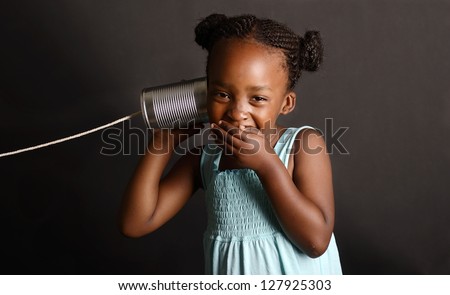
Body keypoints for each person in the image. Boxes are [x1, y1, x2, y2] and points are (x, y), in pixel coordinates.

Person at [120, 13, 342, 275]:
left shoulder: (302, 146)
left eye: (257, 98)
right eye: (222, 94)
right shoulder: (204, 159)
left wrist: (268, 166)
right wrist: (163, 142)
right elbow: (135, 223)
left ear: (286, 103)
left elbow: (316, 242)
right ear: (204, 95)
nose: (237, 112)